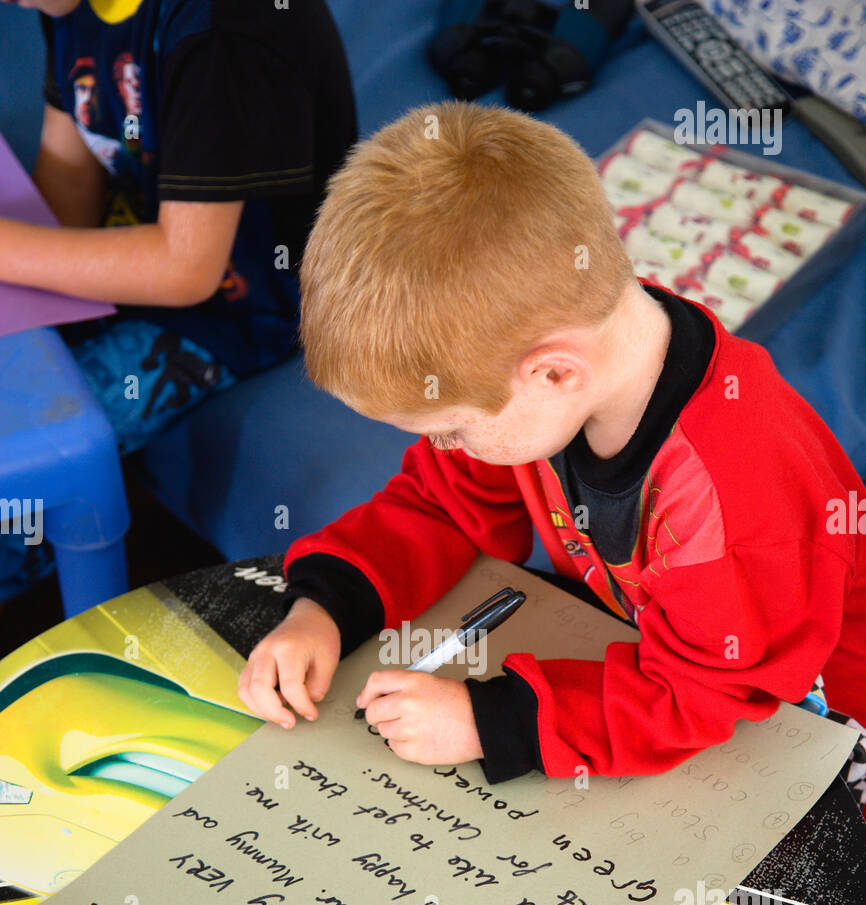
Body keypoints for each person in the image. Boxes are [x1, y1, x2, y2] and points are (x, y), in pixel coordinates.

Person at [238, 101, 866, 802]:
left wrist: (493, 721)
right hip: (682, 656)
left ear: (555, 373)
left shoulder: (729, 501)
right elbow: (441, 503)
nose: (445, 449)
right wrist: (323, 609)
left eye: (450, 429)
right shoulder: (564, 362)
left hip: (824, 725)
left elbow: (704, 694)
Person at [0, 0, 356, 603]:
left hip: (242, 307)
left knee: (27, 475)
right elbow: (69, 182)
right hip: (130, 254)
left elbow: (187, 271)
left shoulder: (224, 33)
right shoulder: (66, 4)